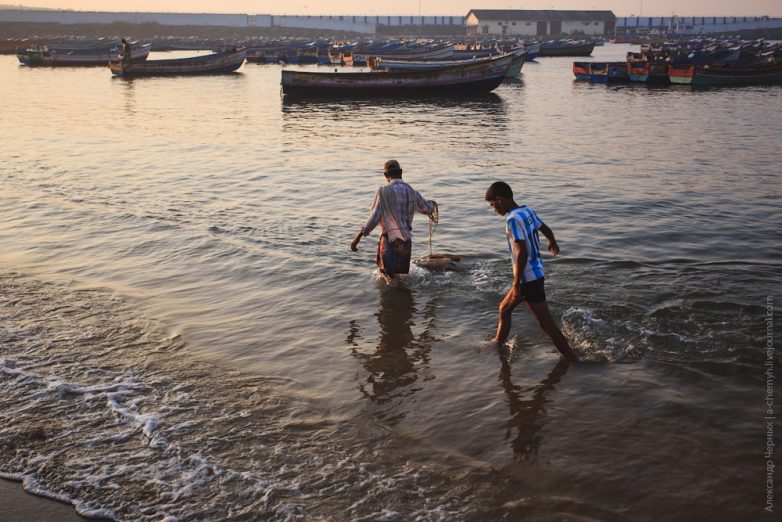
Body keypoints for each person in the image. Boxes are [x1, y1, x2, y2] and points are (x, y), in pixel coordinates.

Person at [485, 181, 577, 361]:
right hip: (535, 273)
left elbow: (522, 251)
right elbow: (544, 228)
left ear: (500, 200)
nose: (493, 209)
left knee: (546, 324)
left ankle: (572, 358)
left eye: (492, 204)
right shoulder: (526, 211)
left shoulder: (512, 219)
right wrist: (552, 241)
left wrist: (516, 282)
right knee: (504, 309)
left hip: (528, 279)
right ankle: (498, 344)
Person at [350, 160, 437, 278]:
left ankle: (396, 296)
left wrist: (357, 238)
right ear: (401, 172)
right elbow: (428, 209)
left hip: (390, 242)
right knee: (399, 276)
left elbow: (374, 218)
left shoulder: (384, 192)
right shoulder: (411, 191)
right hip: (405, 242)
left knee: (389, 277)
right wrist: (432, 205)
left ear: (385, 175)